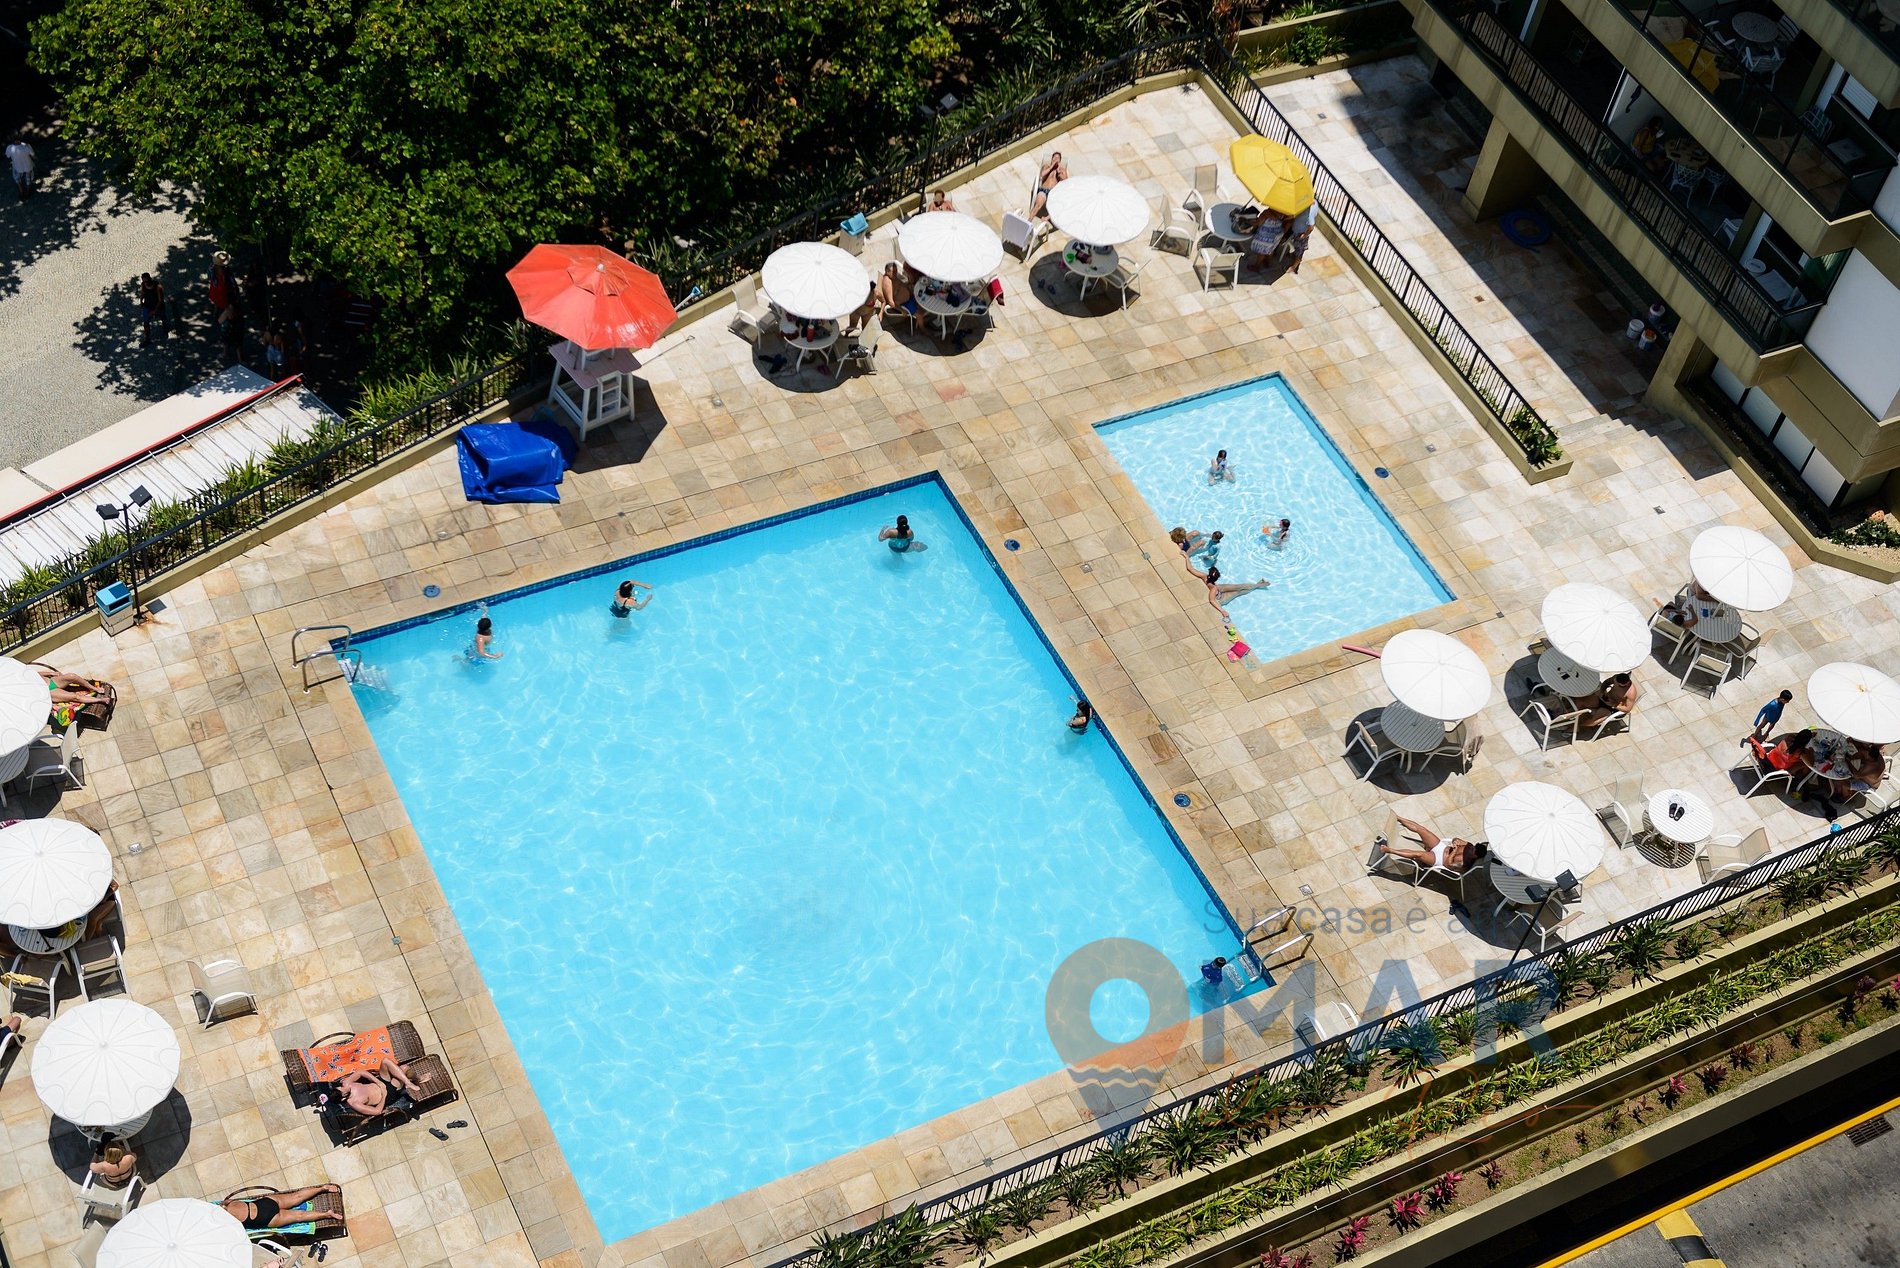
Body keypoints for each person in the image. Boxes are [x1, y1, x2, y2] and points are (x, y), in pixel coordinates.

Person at [221, 1183, 344, 1231]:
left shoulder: (228, 1222)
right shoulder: (228, 1204)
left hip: (266, 1218)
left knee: (299, 1216)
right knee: (296, 1196)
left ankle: (327, 1214)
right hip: (265, 1203)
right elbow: (226, 1201)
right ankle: (322, 1188)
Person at [1378, 817, 1485, 871]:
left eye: (1473, 850)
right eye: (1473, 847)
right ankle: (1398, 818)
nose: (1471, 848)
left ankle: (1389, 850)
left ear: (1475, 855)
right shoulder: (1470, 846)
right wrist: (1455, 841)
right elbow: (1456, 839)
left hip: (1439, 859)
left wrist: (1454, 852)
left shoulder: (1464, 863)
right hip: (1441, 847)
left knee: (1418, 854)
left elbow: (1448, 864)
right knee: (1422, 829)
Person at [1189, 563, 1270, 614]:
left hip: (1219, 589)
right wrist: (1223, 611)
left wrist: (1186, 557)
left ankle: (1257, 585)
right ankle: (1258, 585)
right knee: (1239, 592)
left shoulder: (1205, 576)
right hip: (1220, 598)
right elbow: (1212, 600)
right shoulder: (1213, 588)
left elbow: (1191, 569)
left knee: (1238, 587)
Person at [1030, 151, 1068, 219]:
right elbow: (1042, 174)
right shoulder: (1046, 166)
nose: (1055, 159)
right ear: (1051, 159)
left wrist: (1059, 172)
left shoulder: (1062, 170)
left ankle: (1046, 218)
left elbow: (1065, 181)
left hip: (1053, 193)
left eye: (1057, 158)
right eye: (1054, 157)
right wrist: (1051, 167)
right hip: (1043, 191)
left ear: (1060, 161)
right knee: (1038, 205)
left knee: (1060, 206)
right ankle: (1029, 220)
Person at [1283, 202, 1318, 275]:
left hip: (1300, 234)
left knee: (1299, 252)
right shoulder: (1310, 204)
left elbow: (1311, 227)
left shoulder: (1309, 214)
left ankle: (1294, 267)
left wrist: (1305, 235)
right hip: (1296, 231)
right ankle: (1293, 257)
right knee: (1296, 248)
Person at [138, 274, 167, 348]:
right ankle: (147, 339)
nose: (146, 283)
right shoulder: (143, 285)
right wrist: (141, 301)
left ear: (150, 279)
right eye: (144, 281)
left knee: (163, 317)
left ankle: (165, 328)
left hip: (158, 306)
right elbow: (143, 293)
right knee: (146, 322)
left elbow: (160, 300)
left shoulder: (158, 287)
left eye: (147, 281)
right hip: (147, 306)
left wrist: (154, 311)